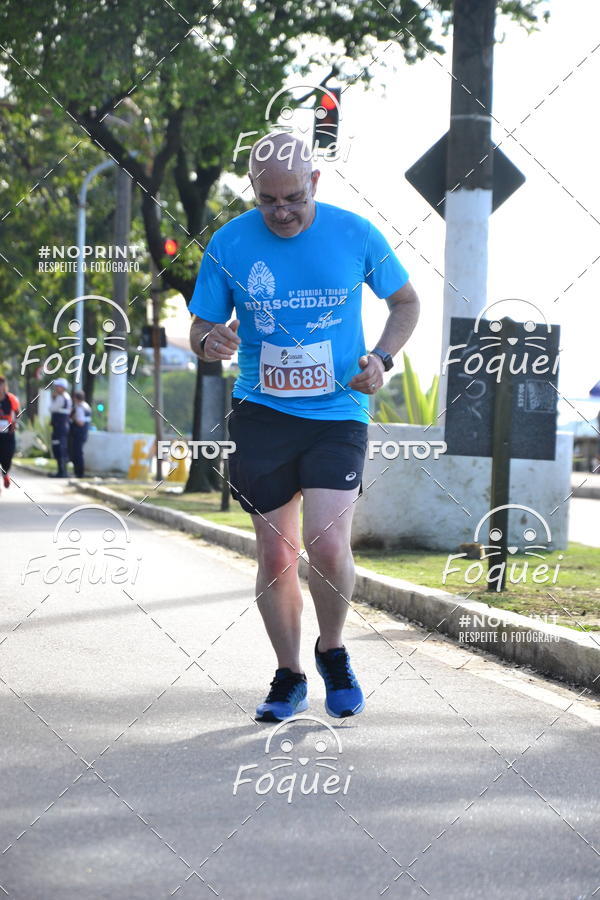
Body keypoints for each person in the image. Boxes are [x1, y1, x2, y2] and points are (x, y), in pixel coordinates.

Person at [189, 132, 420, 722]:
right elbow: (201, 327)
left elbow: (406, 302)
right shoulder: (229, 242)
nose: (282, 212)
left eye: (293, 197)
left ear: (314, 181)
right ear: (253, 191)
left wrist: (382, 358)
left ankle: (332, 650)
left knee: (327, 542)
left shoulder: (355, 234)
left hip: (337, 412)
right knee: (276, 555)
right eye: (268, 200)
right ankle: (289, 674)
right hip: (262, 414)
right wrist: (209, 341)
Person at [0, 375, 20, 492]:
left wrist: (15, 424)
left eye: (1, 384)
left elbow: (18, 413)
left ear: (4, 386)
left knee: (7, 458)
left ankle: (5, 474)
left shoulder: (11, 399)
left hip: (8, 434)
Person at [49, 378, 72, 478]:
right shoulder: (67, 397)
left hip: (59, 428)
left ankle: (61, 472)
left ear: (62, 387)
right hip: (62, 427)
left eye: (58, 386)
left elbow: (51, 408)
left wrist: (53, 398)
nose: (56, 388)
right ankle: (62, 471)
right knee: (61, 448)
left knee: (59, 448)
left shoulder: (60, 398)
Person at [69, 390, 92, 477]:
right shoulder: (87, 406)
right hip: (84, 432)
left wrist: (73, 418)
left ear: (76, 398)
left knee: (77, 453)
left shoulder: (80, 408)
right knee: (79, 452)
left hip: (78, 433)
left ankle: (79, 472)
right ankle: (79, 472)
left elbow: (80, 422)